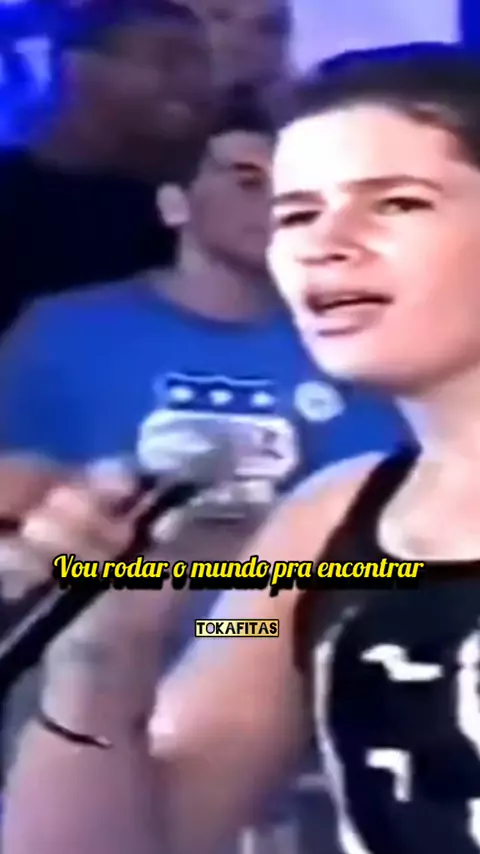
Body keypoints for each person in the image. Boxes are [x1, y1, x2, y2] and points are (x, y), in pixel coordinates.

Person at [0, 94, 409, 854]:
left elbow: (374, 524)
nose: (275, 205)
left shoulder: (353, 340)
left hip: (265, 641)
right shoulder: (67, 331)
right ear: (175, 203)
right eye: (247, 180)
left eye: (291, 187)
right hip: (91, 648)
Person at [136, 43, 480, 854]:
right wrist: (101, 660)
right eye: (295, 214)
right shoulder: (316, 530)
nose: (326, 243)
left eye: (396, 203)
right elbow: (148, 833)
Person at [0, 0, 214, 335]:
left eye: (203, 65)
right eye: (168, 61)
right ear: (75, 68)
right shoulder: (12, 199)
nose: (194, 82)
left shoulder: (197, 213)